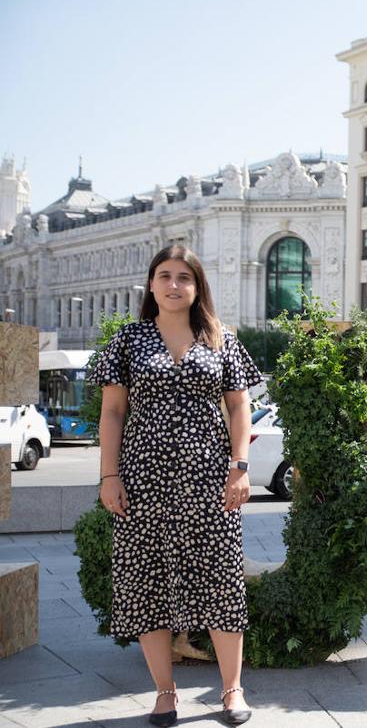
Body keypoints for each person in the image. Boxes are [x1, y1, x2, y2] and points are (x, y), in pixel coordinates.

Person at [94, 244, 263, 727]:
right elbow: (112, 412)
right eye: (164, 275)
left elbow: (238, 406)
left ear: (197, 286)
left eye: (184, 277)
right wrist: (109, 476)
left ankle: (232, 690)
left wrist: (241, 465)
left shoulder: (221, 339)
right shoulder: (128, 341)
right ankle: (165, 693)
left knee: (221, 580)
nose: (173, 284)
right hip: (142, 482)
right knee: (145, 581)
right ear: (150, 285)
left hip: (212, 480)